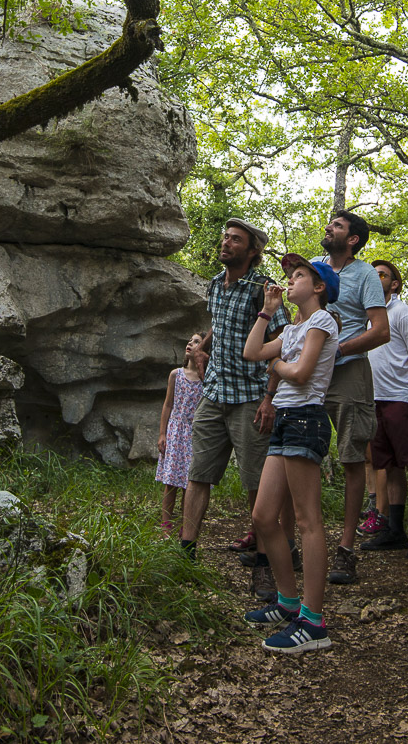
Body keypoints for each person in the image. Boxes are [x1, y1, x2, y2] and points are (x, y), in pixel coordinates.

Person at [180, 219, 288, 600]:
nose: (226, 243)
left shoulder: (264, 289)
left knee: (257, 483)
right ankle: (185, 552)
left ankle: (264, 566)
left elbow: (283, 341)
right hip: (214, 394)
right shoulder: (214, 282)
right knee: (199, 474)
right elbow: (218, 322)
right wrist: (203, 347)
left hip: (250, 398)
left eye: (235, 240)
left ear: (252, 251)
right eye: (225, 237)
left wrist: (270, 396)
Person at [241, 254, 342, 653]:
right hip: (286, 419)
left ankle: (314, 622)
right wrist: (267, 313)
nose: (290, 280)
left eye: (299, 275)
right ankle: (287, 602)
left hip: (307, 419)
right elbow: (252, 352)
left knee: (307, 519)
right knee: (264, 516)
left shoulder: (322, 321)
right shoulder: (293, 326)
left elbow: (301, 374)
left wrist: (279, 365)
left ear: (318, 288)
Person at [315, 211, 389, 585]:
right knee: (297, 452)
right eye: (330, 225)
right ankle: (296, 544)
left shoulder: (364, 276)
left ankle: (345, 549)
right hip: (308, 375)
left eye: (338, 226)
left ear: (354, 239)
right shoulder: (313, 267)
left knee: (351, 456)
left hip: (349, 373)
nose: (329, 228)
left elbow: (381, 331)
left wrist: (337, 350)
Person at [360, 259, 408, 558]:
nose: (376, 278)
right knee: (389, 466)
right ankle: (395, 530)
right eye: (372, 274)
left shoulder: (402, 313)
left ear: (394, 284)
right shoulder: (367, 318)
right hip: (375, 399)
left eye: (382, 274)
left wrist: (407, 385)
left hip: (403, 399)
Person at [156, 332, 208, 536]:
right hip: (176, 432)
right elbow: (168, 405)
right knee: (171, 481)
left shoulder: (206, 378)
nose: (190, 343)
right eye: (190, 341)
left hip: (195, 434)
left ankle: (186, 526)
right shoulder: (175, 375)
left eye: (196, 342)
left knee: (191, 482)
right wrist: (162, 434)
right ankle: (166, 524)